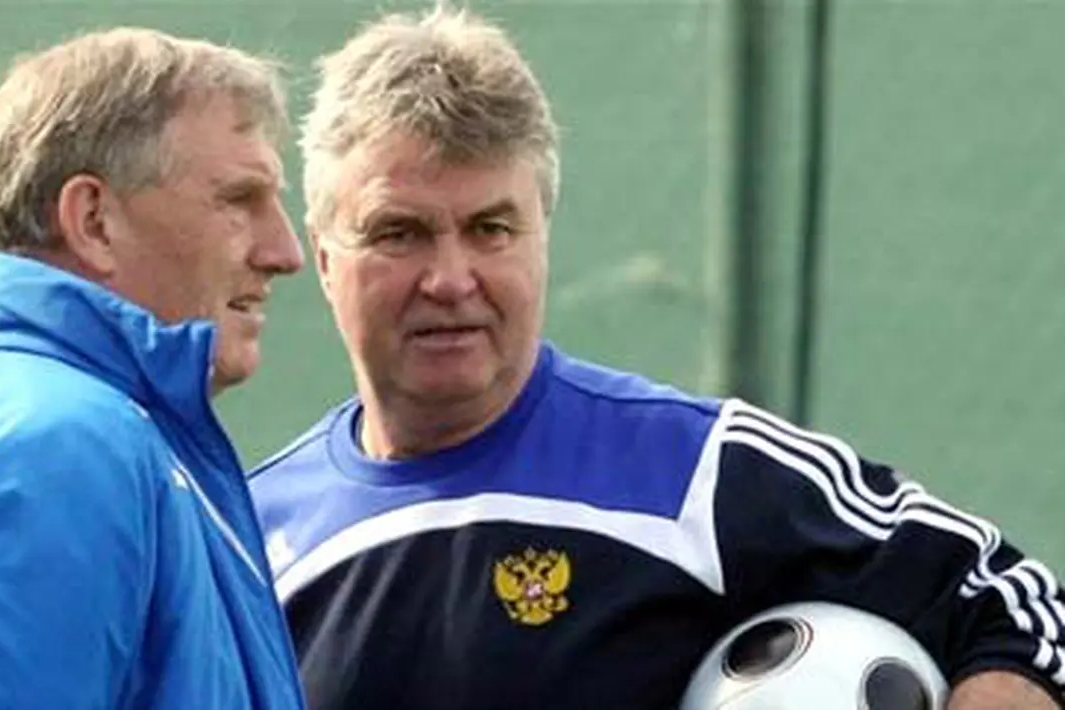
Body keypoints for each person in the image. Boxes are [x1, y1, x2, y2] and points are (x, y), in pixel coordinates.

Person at [247, 7, 1065, 710]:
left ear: (541, 240)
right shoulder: (250, 535)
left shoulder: (700, 471)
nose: (451, 279)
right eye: (399, 232)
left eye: (491, 229)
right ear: (323, 258)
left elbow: (1021, 612)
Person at [0, 28, 307, 709]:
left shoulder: (31, 429)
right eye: (238, 200)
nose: (283, 250)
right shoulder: (52, 451)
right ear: (93, 221)